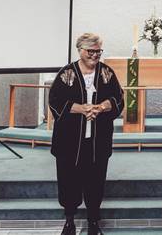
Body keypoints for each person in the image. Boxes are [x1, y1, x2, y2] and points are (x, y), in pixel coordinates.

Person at [49, 33, 124, 235]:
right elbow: (55, 102)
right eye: (91, 51)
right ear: (80, 50)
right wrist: (81, 108)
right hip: (69, 141)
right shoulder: (67, 74)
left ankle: (93, 222)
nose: (95, 55)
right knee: (68, 180)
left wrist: (101, 107)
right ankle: (69, 221)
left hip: (98, 140)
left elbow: (118, 98)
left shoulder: (106, 73)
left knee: (95, 180)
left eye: (98, 51)